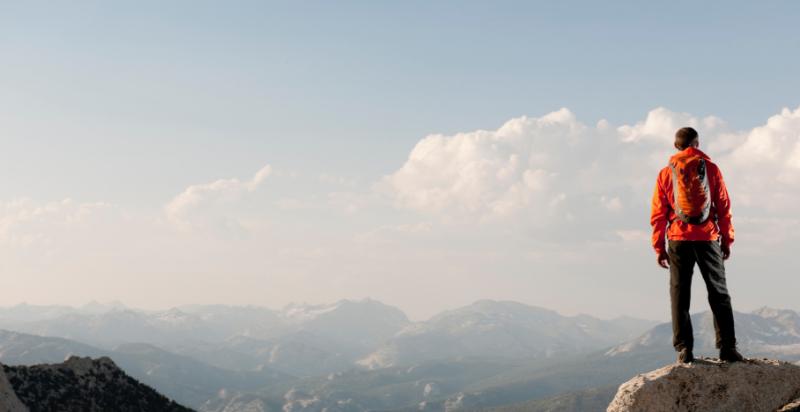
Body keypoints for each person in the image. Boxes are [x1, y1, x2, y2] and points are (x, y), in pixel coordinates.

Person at [650, 127, 744, 364]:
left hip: (678, 240)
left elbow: (658, 214)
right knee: (719, 293)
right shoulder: (711, 169)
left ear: (676, 146)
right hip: (708, 238)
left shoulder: (665, 174)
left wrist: (659, 246)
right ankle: (727, 348)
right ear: (697, 144)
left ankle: (684, 349)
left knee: (680, 295)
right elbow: (724, 206)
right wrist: (727, 239)